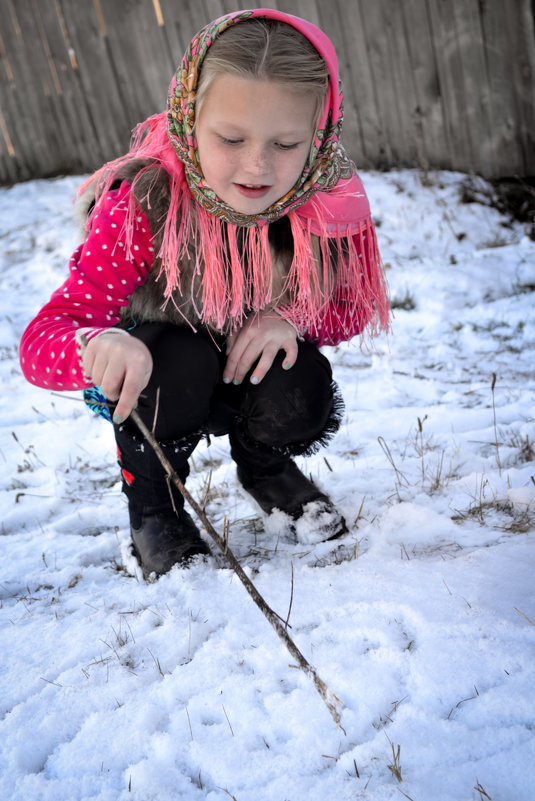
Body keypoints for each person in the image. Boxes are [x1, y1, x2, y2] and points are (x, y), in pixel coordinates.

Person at [19, 8, 390, 579]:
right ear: (190, 119)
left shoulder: (326, 203)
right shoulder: (145, 202)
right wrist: (98, 345)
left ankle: (265, 468)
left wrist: (288, 318)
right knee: (179, 361)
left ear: (320, 133)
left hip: (250, 372)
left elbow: (349, 309)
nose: (257, 166)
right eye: (231, 138)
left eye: (287, 143)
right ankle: (155, 510)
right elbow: (42, 339)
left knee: (299, 379)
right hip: (162, 375)